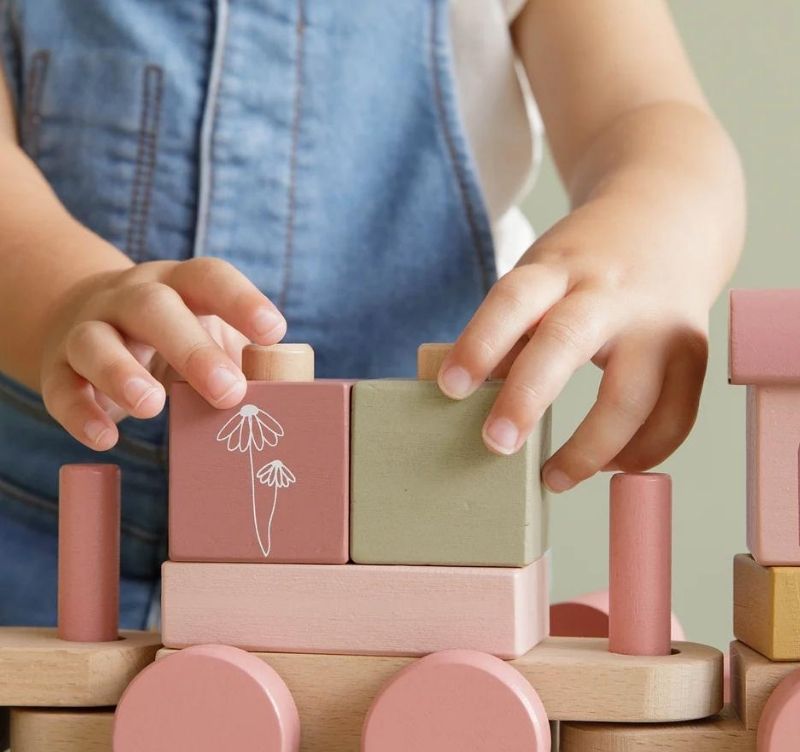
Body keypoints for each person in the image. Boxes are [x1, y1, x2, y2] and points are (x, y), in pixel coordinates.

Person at [0, 0, 745, 627]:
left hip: (407, 573)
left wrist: (652, 236)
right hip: (35, 551)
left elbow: (650, 117)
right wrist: (67, 295)